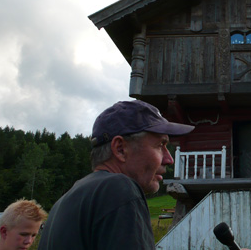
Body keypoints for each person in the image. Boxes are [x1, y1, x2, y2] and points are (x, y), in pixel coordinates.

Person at [38, 100, 194, 250]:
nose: (169, 159)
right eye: (160, 145)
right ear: (120, 149)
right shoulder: (118, 189)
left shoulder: (64, 203)